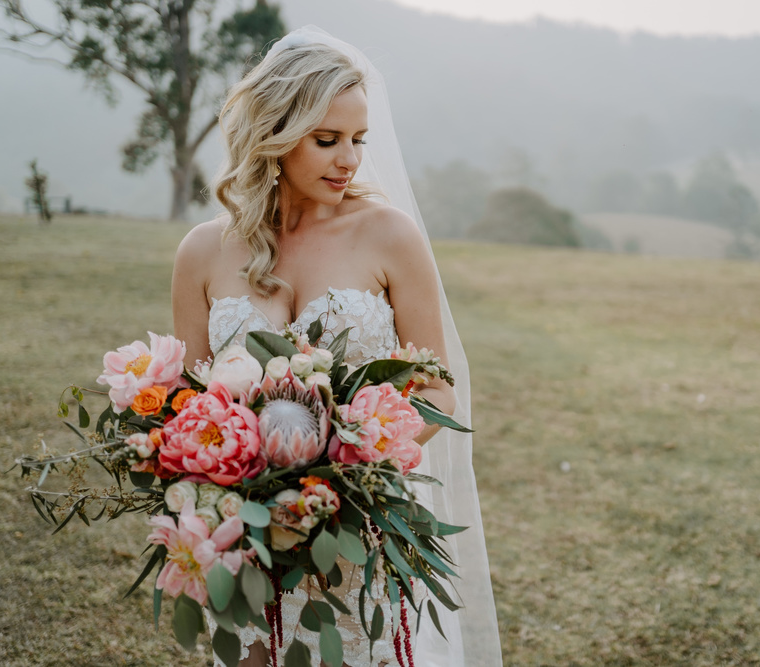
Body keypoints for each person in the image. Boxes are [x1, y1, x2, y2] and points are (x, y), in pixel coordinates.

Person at [170, 26, 502, 667]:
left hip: (358, 522)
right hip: (244, 531)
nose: (349, 159)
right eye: (327, 141)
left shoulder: (388, 237)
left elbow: (436, 388)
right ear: (275, 134)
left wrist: (346, 470)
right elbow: (185, 398)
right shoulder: (202, 252)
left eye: (358, 139)